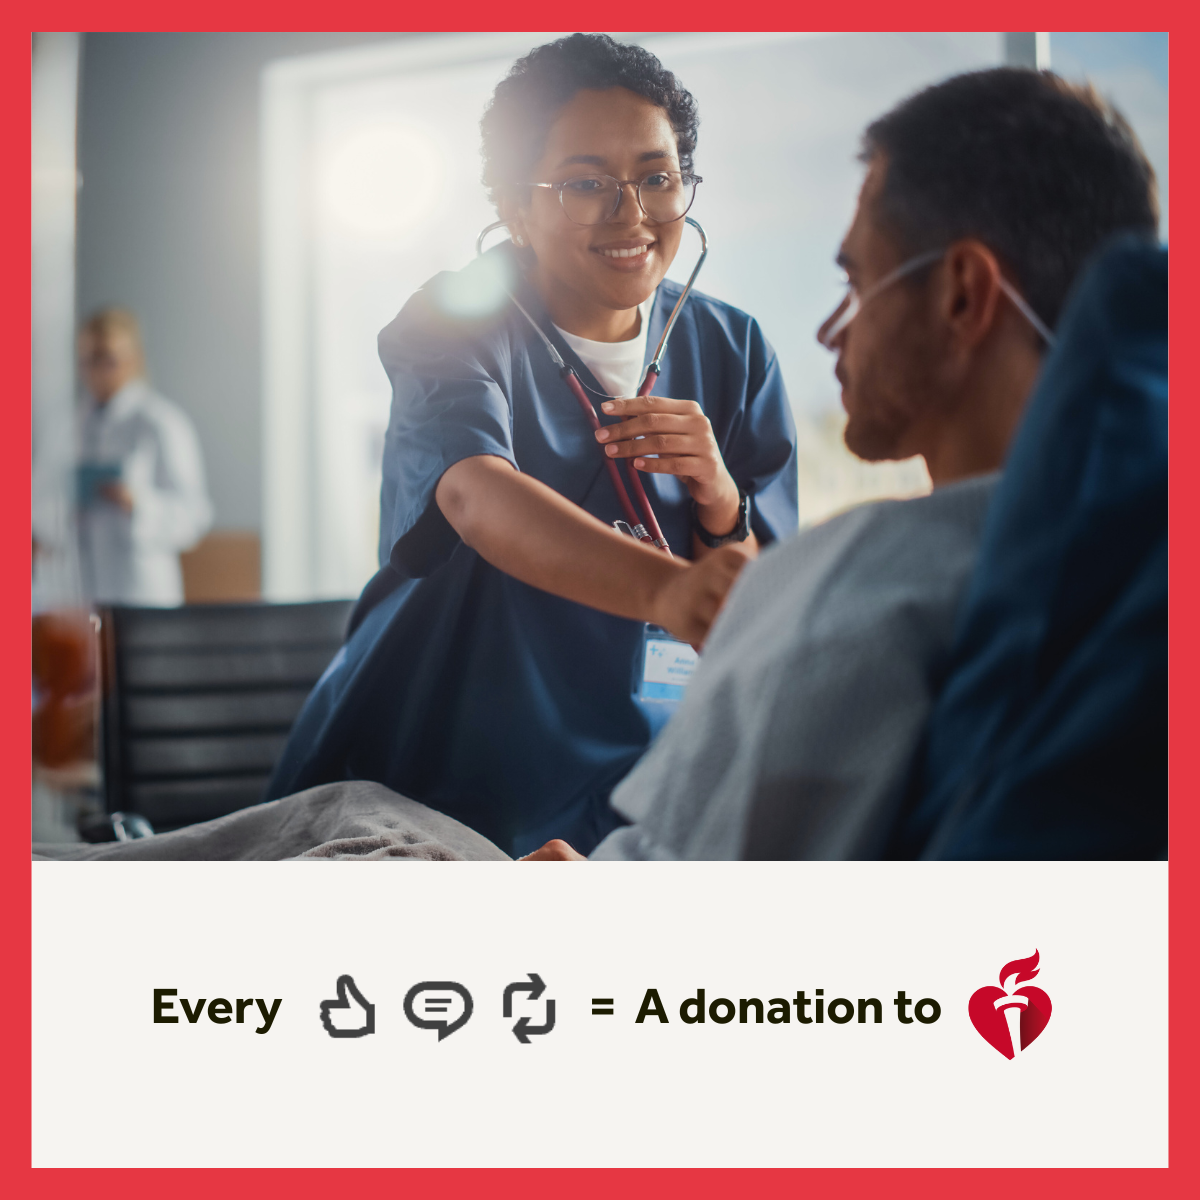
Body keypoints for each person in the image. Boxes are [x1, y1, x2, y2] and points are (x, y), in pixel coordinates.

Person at [517, 68, 1159, 861]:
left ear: (962, 295)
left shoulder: (858, 584)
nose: (830, 332)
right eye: (586, 182)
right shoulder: (1144, 563)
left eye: (857, 281)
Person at [265, 34, 799, 858]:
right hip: (436, 770)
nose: (632, 214)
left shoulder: (732, 348)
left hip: (635, 777)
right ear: (515, 206)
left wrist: (721, 501)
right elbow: (477, 494)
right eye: (586, 183)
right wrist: (670, 592)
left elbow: (754, 600)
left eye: (657, 178)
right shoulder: (458, 317)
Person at [76, 308, 213, 606]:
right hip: (79, 594)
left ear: (133, 359)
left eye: (108, 358)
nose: (98, 370)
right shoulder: (68, 426)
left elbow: (194, 516)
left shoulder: (160, 423)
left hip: (141, 591)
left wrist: (137, 503)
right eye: (89, 359)